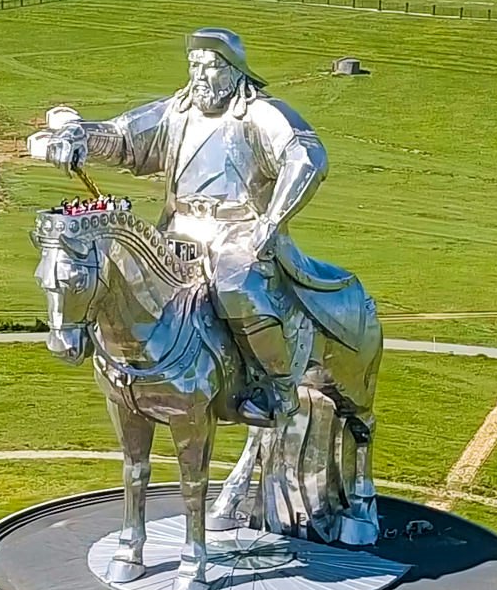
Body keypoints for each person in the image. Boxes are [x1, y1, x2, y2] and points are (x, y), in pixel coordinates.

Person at [33, 29, 361, 425]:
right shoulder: (177, 112)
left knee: (236, 285)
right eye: (195, 66)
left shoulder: (259, 114)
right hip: (175, 232)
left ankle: (276, 387)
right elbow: (121, 135)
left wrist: (272, 221)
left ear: (236, 71)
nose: (200, 76)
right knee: (121, 283)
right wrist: (78, 135)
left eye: (211, 67)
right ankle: (128, 374)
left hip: (240, 234)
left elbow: (306, 157)